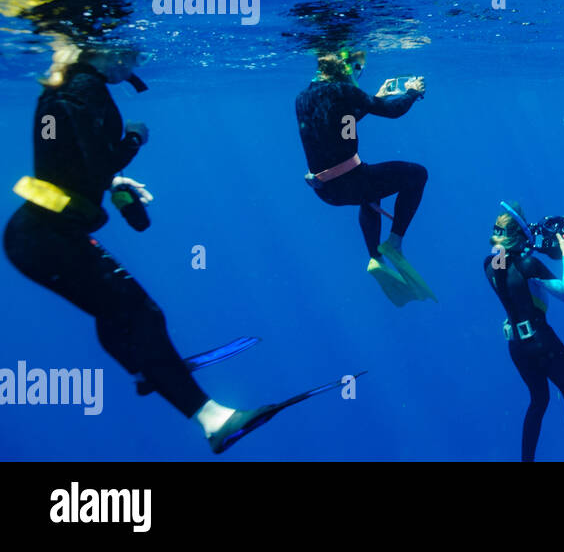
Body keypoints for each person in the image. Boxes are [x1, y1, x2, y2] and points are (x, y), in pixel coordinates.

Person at [3, 41, 289, 453]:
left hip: (39, 234)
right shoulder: (87, 87)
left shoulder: (65, 84)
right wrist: (134, 139)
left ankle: (146, 370)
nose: (139, 63)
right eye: (134, 54)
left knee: (119, 313)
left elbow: (64, 158)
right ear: (107, 51)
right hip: (48, 238)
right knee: (141, 313)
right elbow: (97, 160)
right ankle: (213, 420)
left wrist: (113, 183)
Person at [295, 48, 433, 305]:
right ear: (349, 68)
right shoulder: (342, 90)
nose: (360, 74)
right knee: (417, 174)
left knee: (371, 189)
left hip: (325, 190)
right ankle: (394, 243)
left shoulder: (303, 96)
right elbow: (394, 111)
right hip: (352, 182)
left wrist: (373, 99)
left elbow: (340, 119)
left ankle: (375, 257)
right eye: (360, 69)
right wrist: (413, 91)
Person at [484, 201, 564, 462]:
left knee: (538, 401)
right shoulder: (528, 266)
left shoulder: (489, 265)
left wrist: (529, 241)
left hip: (517, 348)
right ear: (518, 235)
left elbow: (505, 265)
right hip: (541, 341)